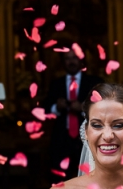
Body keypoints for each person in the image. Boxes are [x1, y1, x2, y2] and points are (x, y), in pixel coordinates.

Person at [41, 47, 103, 180]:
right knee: (61, 180)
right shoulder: (56, 84)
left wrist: (83, 108)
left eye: (74, 58)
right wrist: (57, 107)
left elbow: (104, 107)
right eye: (67, 59)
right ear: (63, 62)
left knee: (91, 179)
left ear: (81, 60)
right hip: (62, 140)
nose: (71, 62)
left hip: (88, 139)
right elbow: (45, 109)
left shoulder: (94, 82)